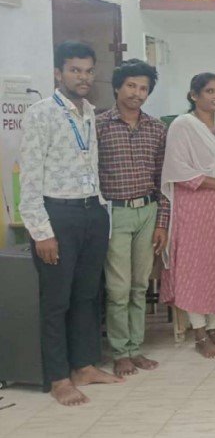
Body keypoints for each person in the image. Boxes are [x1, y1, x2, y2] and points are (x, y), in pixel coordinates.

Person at [20, 41, 121, 406]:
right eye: (75, 70)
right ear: (58, 73)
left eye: (88, 71)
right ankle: (59, 378)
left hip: (92, 211)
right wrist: (41, 231)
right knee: (56, 301)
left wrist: (102, 210)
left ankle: (84, 366)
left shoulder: (91, 112)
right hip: (57, 214)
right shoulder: (41, 113)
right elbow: (30, 177)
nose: (83, 77)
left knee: (87, 295)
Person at [161, 73, 215, 359]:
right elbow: (178, 169)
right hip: (195, 203)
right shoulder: (182, 124)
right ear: (194, 95)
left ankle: (212, 328)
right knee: (195, 266)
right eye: (210, 91)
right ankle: (198, 333)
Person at [95, 59, 169, 377]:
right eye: (131, 86)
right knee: (118, 287)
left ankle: (135, 348)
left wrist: (162, 222)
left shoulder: (157, 128)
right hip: (115, 213)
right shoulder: (98, 126)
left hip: (148, 212)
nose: (137, 93)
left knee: (140, 284)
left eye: (143, 88)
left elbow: (163, 179)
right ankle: (120, 351)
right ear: (117, 87)